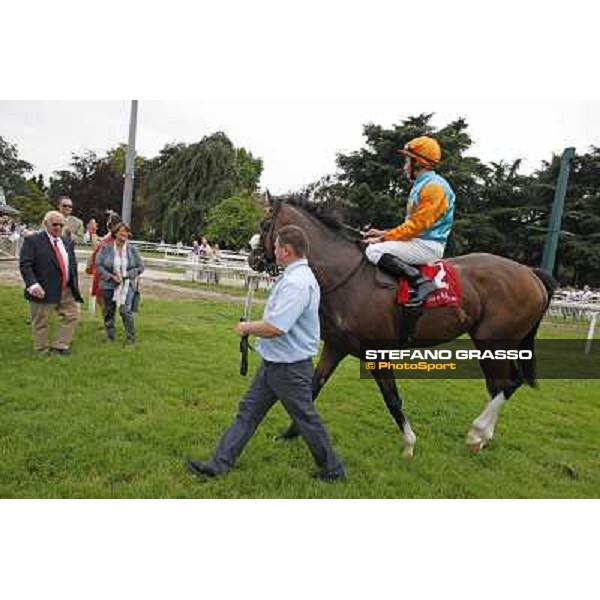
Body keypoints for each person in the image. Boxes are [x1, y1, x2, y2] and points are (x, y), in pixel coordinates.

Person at [186, 225, 345, 482]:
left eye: (275, 247)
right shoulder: (296, 277)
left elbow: (276, 327)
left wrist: (246, 327)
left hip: (289, 368)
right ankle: (218, 464)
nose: (272, 251)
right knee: (248, 412)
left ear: (286, 250)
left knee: (305, 420)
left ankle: (333, 470)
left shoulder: (297, 283)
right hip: (276, 363)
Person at [363, 136, 456, 305]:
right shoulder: (423, 184)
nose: (405, 166)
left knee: (373, 251)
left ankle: (421, 283)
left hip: (427, 246)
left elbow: (415, 227)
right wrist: (384, 233)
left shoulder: (433, 187)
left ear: (419, 163)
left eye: (407, 161)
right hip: (419, 241)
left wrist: (382, 239)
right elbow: (412, 225)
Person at [19, 210, 84, 355]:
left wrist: (73, 283)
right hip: (43, 289)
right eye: (55, 224)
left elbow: (71, 263)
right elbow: (25, 265)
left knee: (72, 315)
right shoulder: (33, 241)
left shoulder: (66, 242)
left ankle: (60, 345)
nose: (58, 228)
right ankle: (42, 350)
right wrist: (32, 284)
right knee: (40, 321)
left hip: (66, 289)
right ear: (45, 223)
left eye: (61, 225)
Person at [96, 222, 144, 344]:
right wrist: (111, 277)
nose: (124, 234)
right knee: (108, 311)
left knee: (125, 310)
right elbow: (99, 265)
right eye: (121, 231)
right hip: (108, 284)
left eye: (126, 231)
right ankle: (110, 336)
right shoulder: (106, 248)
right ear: (115, 233)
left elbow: (140, 267)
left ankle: (130, 339)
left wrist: (126, 275)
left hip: (127, 285)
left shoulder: (132, 250)